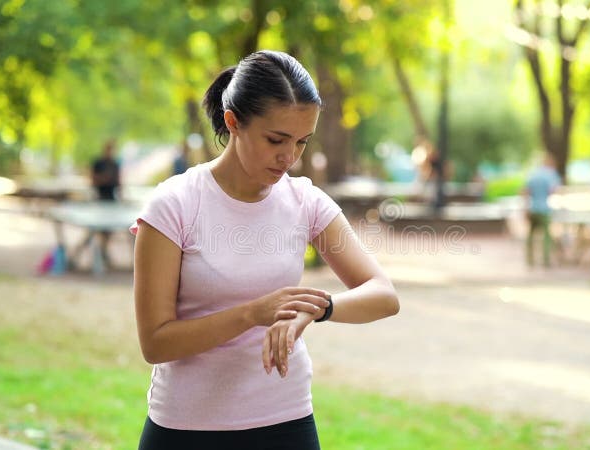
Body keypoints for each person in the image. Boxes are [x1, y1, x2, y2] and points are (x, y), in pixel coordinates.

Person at [130, 50, 399, 449]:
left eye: (301, 143)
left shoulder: (304, 201)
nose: (289, 158)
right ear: (232, 122)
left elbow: (383, 295)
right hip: (186, 429)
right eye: (276, 140)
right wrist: (253, 313)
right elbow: (155, 343)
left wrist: (318, 308)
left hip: (285, 422)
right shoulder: (175, 205)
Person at [523, 152, 562, 268]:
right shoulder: (551, 174)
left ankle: (530, 260)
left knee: (530, 235)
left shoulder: (533, 173)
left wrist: (526, 207)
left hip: (533, 208)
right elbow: (553, 190)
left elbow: (525, 191)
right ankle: (546, 260)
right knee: (546, 235)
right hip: (544, 209)